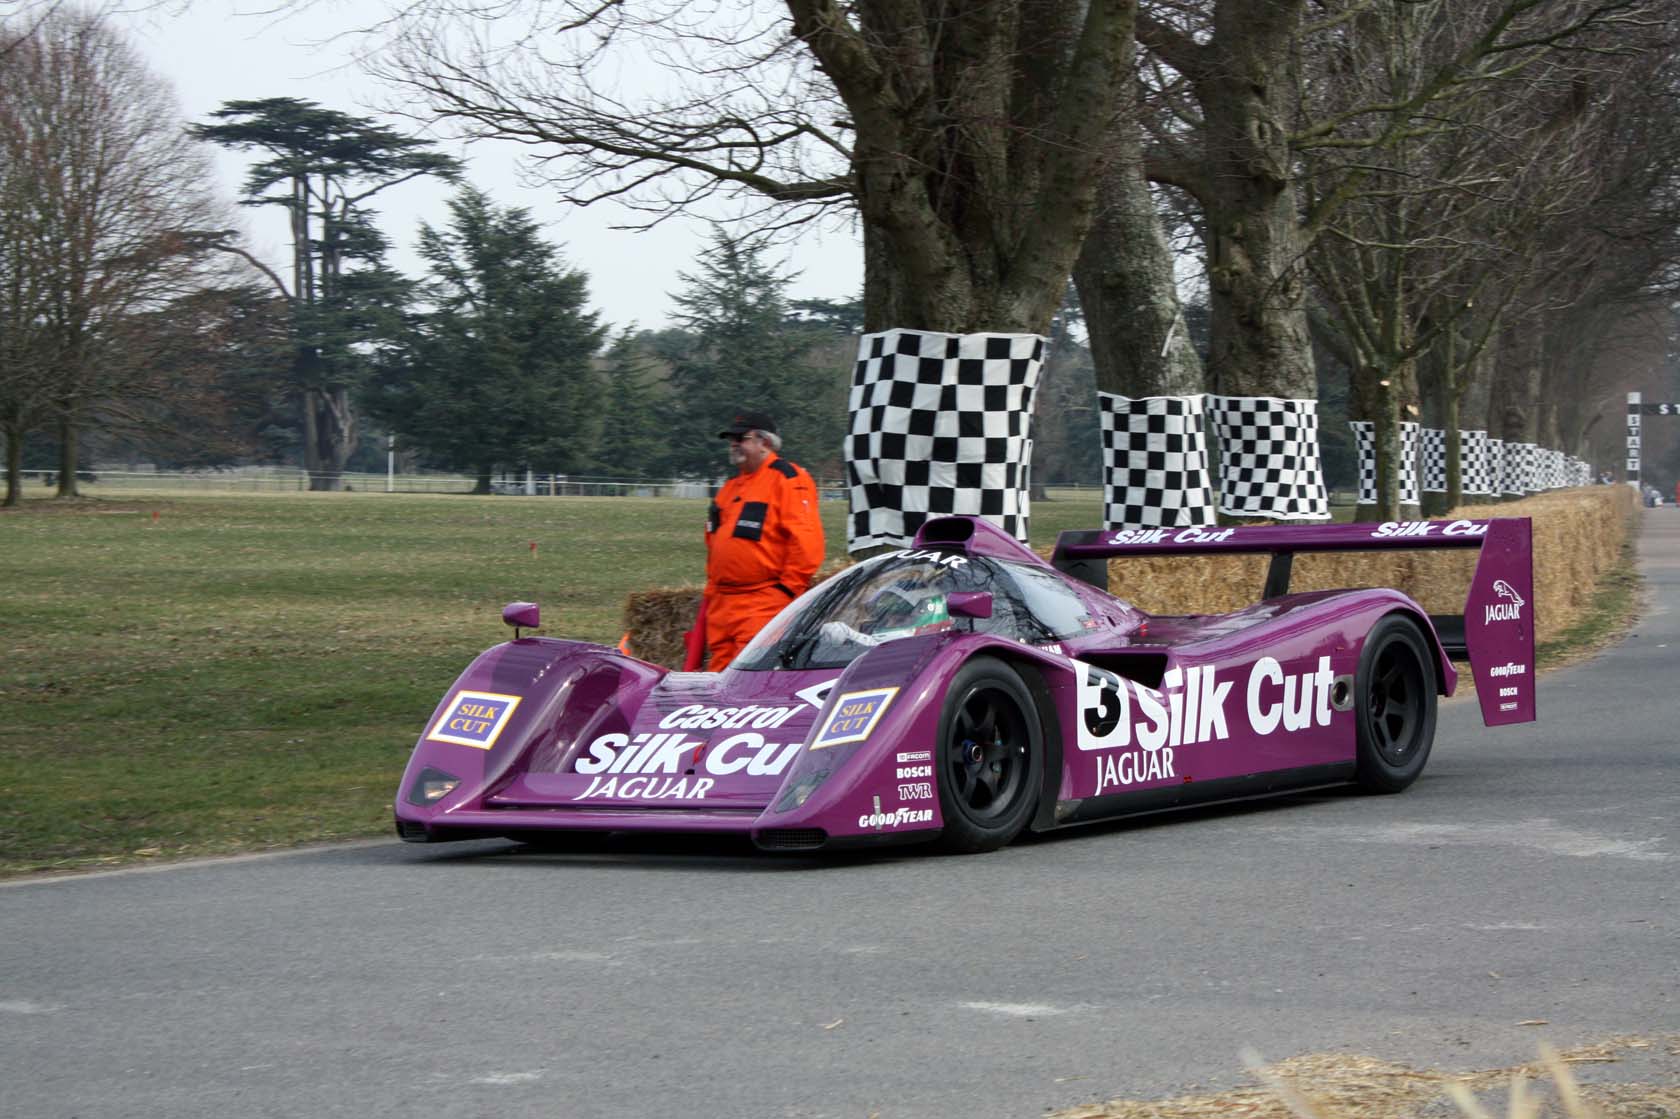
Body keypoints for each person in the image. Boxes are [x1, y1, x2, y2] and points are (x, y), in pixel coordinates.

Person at [697, 410, 825, 671]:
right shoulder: (730, 487)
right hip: (722, 603)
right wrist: (712, 593)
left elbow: (807, 542)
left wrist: (786, 591)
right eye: (731, 439)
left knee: (749, 678)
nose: (733, 444)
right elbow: (714, 541)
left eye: (741, 438)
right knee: (718, 680)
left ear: (764, 442)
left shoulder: (788, 478)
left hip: (762, 599)